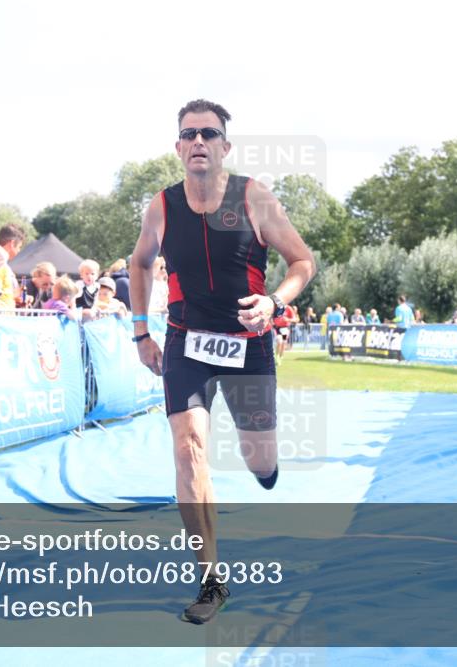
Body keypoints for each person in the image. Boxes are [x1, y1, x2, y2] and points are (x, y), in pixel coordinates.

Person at [128, 99, 315, 625]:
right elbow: (139, 263)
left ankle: (266, 466)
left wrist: (275, 301)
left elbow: (303, 260)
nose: (199, 142)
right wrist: (141, 330)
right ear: (178, 147)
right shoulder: (161, 207)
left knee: (260, 461)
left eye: (209, 134)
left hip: (248, 343)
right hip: (186, 341)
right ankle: (211, 578)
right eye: (189, 135)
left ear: (225, 146)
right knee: (188, 452)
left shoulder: (254, 197)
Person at [0, 223, 26, 310]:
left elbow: (5, 294)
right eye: (19, 247)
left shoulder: (2, 264)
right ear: (12, 244)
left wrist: (18, 298)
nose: (19, 251)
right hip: (0, 319)